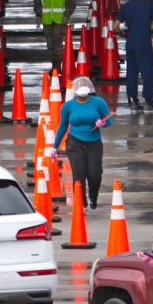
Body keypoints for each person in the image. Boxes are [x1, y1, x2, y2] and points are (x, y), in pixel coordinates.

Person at [54, 76, 111, 210]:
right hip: (74, 143)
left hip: (94, 143)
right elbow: (62, 126)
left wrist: (102, 123)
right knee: (79, 175)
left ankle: (93, 197)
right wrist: (54, 146)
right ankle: (82, 203)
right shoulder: (68, 106)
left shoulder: (99, 102)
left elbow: (108, 120)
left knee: (95, 174)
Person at [116, 0, 153, 110]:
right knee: (148, 73)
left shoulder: (127, 6)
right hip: (144, 44)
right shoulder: (150, 5)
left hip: (130, 45)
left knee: (132, 73)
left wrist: (124, 32)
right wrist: (145, 29)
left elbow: (115, 25)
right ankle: (148, 101)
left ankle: (133, 101)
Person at [33, 0, 75, 69]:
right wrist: (38, 15)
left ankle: (58, 66)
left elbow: (70, 2)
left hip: (60, 19)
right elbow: (37, 2)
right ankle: (54, 65)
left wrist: (66, 15)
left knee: (58, 44)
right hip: (46, 20)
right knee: (50, 45)